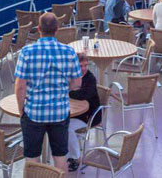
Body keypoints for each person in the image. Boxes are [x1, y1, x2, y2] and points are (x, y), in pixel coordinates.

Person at [14, 13, 82, 170]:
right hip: (60, 111)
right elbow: (77, 83)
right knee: (60, 156)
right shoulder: (69, 52)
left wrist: (21, 110)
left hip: (34, 112)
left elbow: (20, 86)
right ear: (57, 29)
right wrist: (65, 89)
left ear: (39, 29)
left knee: (32, 157)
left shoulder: (27, 52)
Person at [65, 52, 101, 171]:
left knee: (66, 127)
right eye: (81, 66)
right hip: (75, 113)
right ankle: (64, 151)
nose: (84, 68)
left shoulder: (90, 79)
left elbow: (83, 95)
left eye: (86, 65)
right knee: (56, 123)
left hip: (88, 116)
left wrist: (69, 92)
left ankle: (75, 158)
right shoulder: (70, 76)